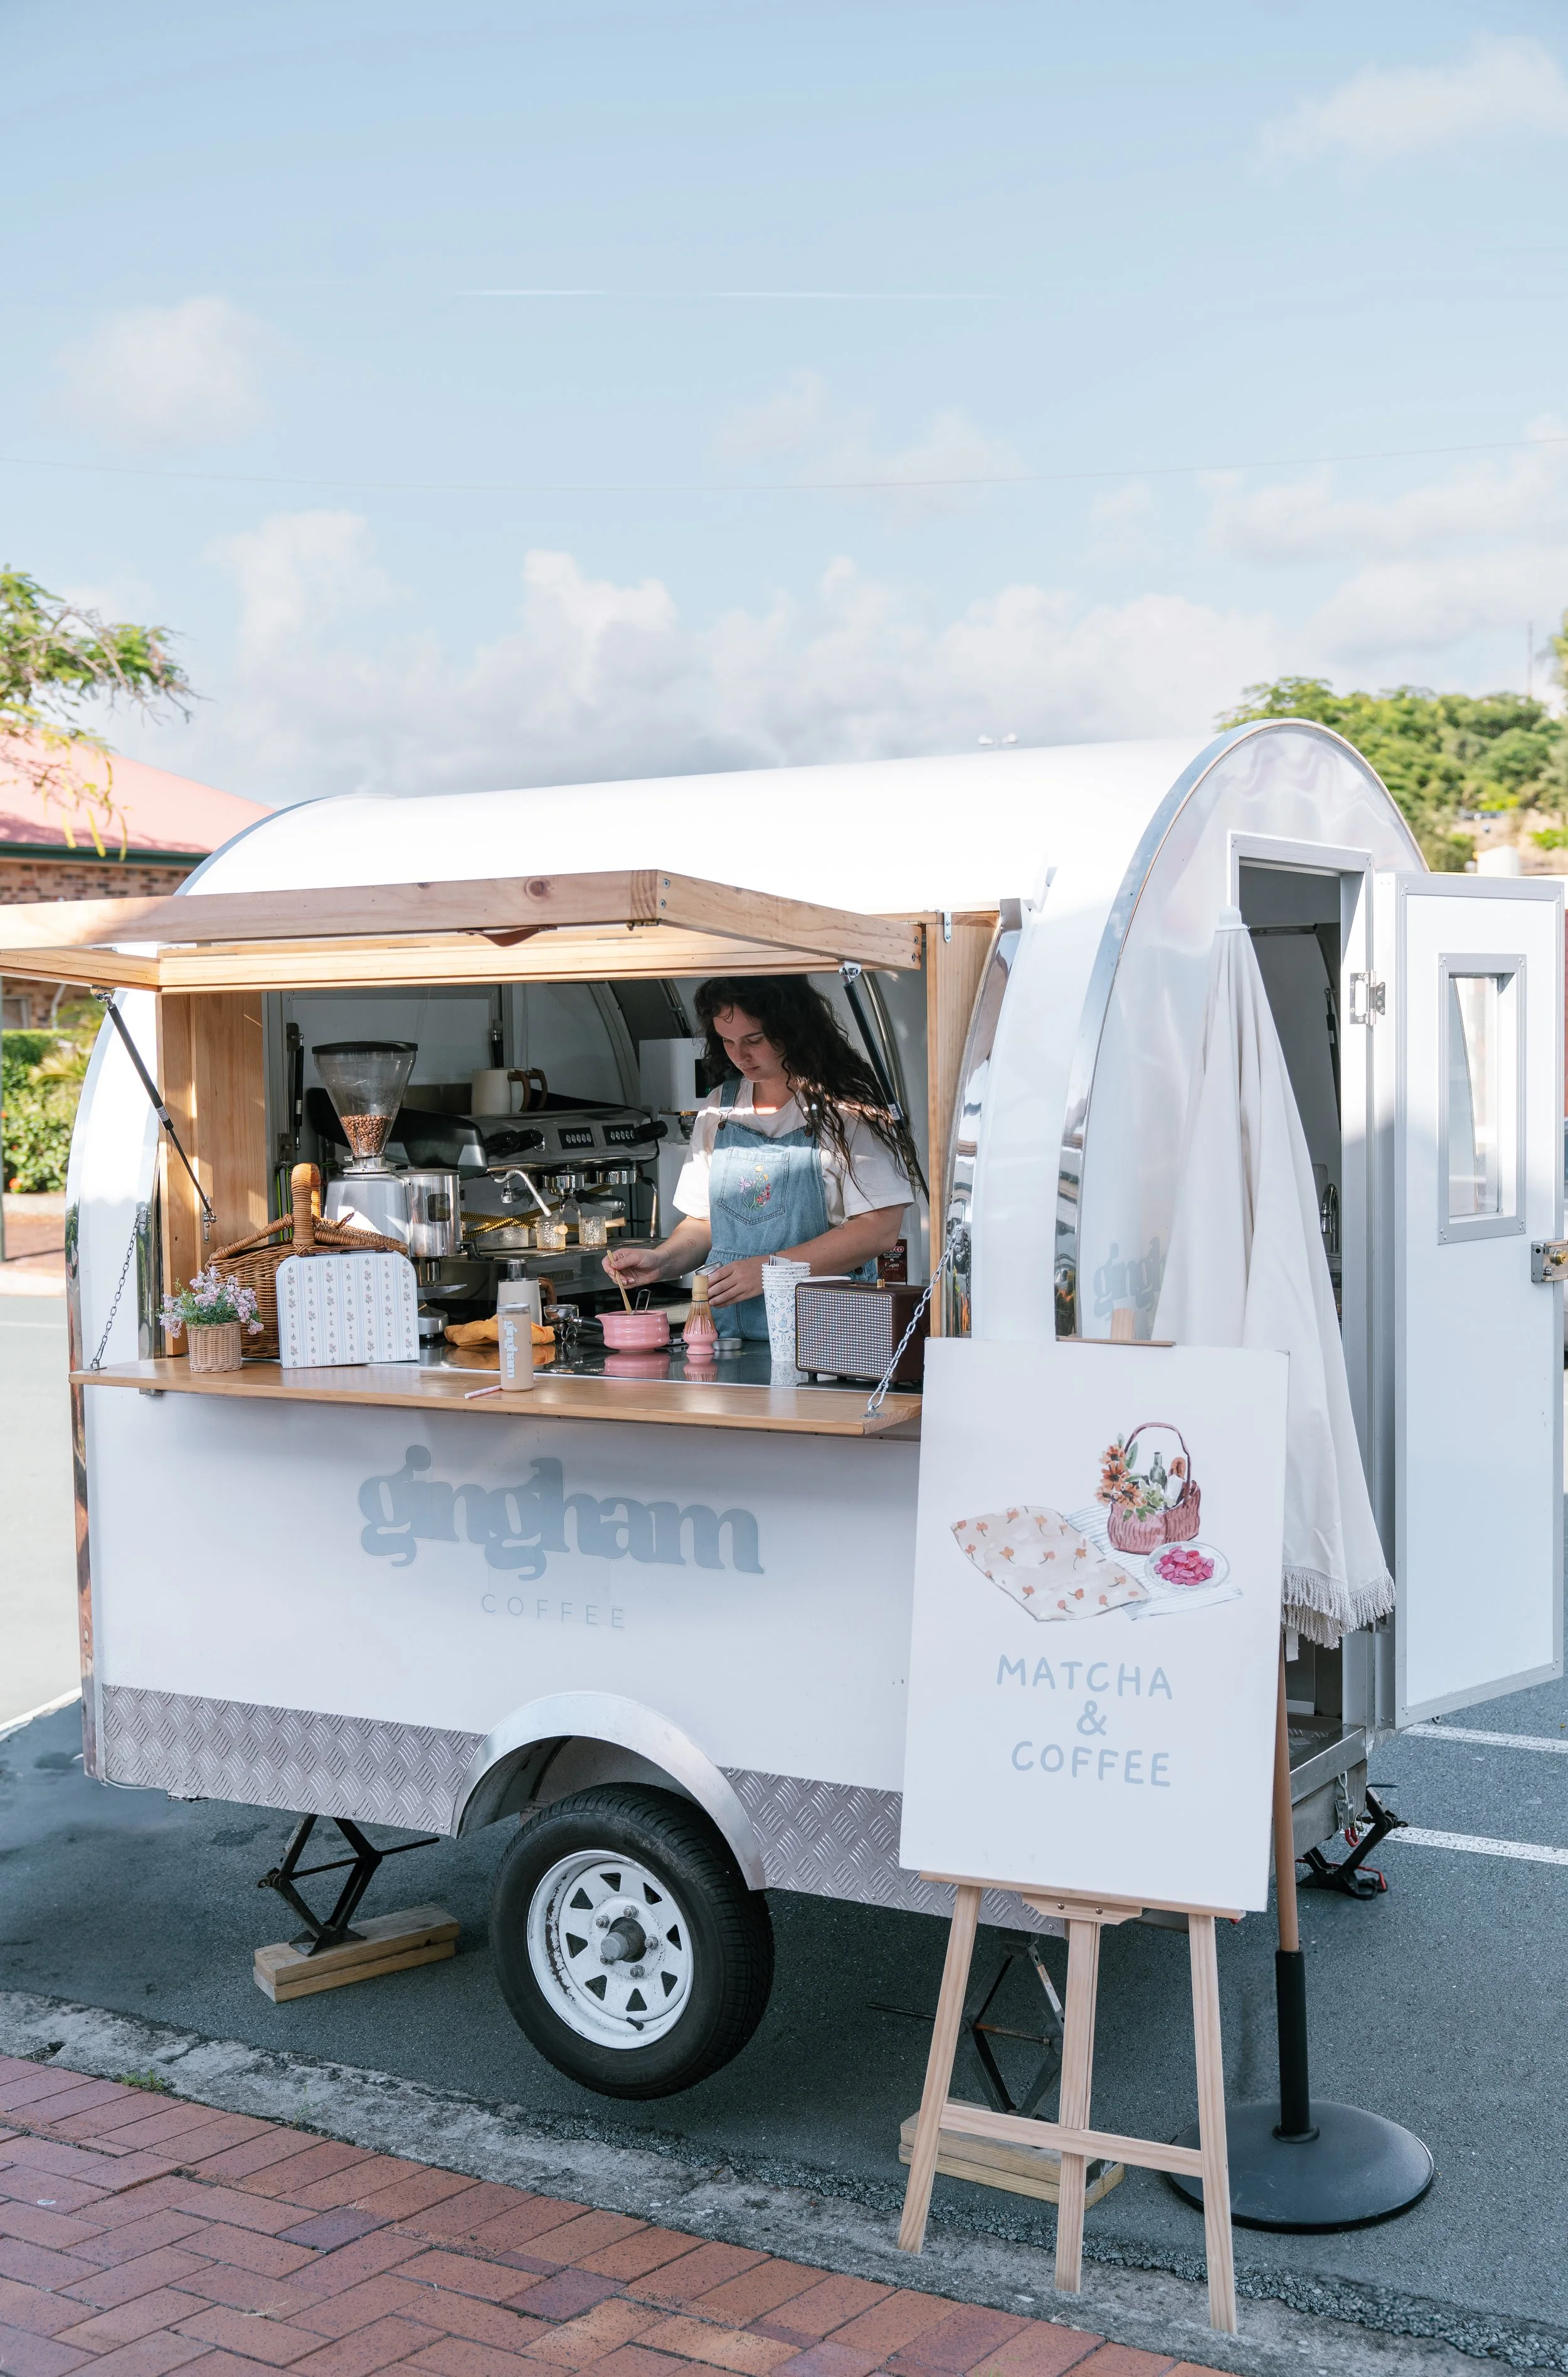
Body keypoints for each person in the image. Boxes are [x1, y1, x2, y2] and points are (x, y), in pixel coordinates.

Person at [605, 976, 923, 1339]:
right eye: (728, 1041)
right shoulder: (719, 1110)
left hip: (826, 1340)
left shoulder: (847, 1111)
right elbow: (706, 1223)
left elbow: (878, 1230)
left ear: (792, 1031)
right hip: (729, 1337)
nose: (740, 1056)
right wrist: (663, 1261)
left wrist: (772, 1271)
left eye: (754, 1040)